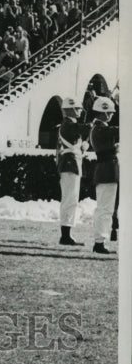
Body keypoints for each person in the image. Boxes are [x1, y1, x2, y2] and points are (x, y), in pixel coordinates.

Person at [55, 97, 89, 246]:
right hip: (70, 165)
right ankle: (65, 236)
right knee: (70, 199)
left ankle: (67, 234)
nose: (81, 111)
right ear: (72, 109)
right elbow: (82, 129)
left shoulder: (69, 124)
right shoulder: (68, 124)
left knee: (71, 199)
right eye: (78, 108)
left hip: (72, 164)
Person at [89, 96, 119, 255]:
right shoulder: (101, 128)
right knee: (105, 209)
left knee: (105, 208)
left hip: (106, 170)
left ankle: (101, 240)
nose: (112, 115)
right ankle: (100, 242)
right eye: (110, 112)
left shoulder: (98, 127)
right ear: (104, 113)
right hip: (107, 170)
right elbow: (117, 131)